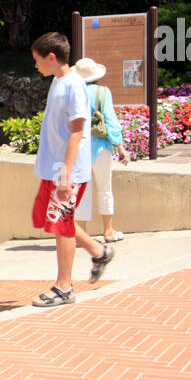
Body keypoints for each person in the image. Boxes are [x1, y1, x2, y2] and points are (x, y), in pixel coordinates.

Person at [30, 32, 114, 307]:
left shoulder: (74, 85)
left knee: (62, 225)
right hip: (55, 170)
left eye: (37, 60)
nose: (36, 66)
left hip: (67, 172)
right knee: (56, 222)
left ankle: (64, 287)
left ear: (51, 58)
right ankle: (98, 252)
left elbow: (77, 131)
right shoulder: (58, 81)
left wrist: (66, 175)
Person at [72, 57, 130, 243]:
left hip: (79, 149)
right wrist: (120, 146)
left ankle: (81, 235)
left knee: (82, 192)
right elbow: (111, 120)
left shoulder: (73, 93)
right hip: (101, 148)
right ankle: (108, 232)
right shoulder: (103, 93)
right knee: (105, 189)